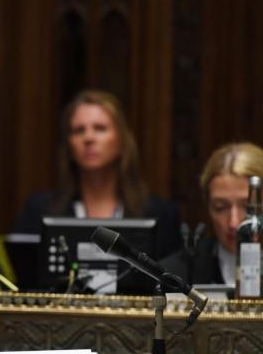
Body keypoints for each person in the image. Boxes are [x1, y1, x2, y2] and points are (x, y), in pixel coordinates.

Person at [13, 90, 182, 259]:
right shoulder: (40, 210)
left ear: (122, 140)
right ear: (69, 145)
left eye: (100, 128)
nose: (88, 138)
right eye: (78, 130)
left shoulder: (159, 214)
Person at [161, 142, 263, 285]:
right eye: (220, 207)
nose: (233, 223)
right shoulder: (177, 273)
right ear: (208, 206)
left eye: (248, 207)